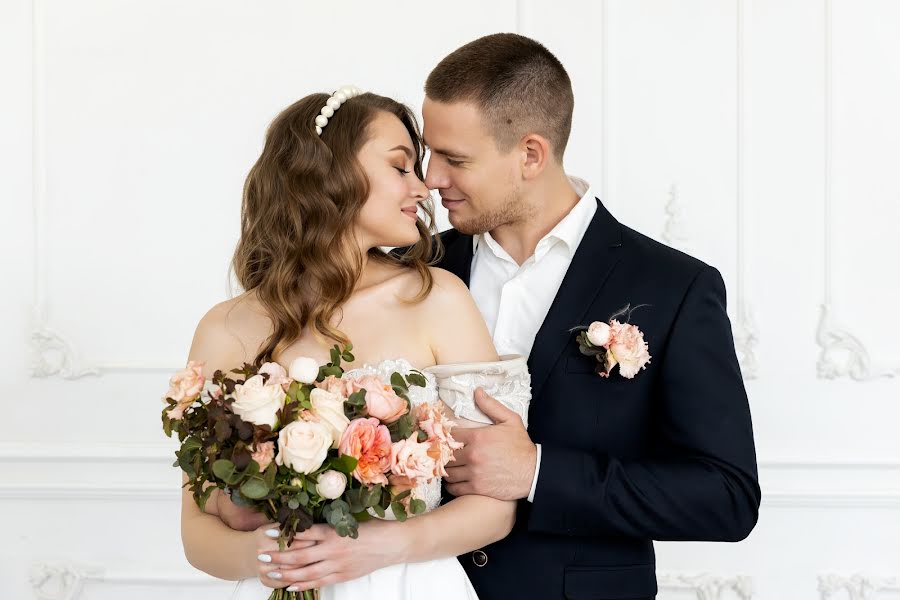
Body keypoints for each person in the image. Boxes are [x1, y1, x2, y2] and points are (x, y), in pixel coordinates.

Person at [218, 33, 762, 600]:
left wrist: (538, 474)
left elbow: (726, 497)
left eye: (455, 160)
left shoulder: (673, 286)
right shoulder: (407, 270)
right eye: (428, 155)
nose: (431, 180)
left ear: (530, 154)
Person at [179, 88, 532, 599]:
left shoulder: (438, 300)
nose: (423, 188)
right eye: (400, 167)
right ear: (330, 173)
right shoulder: (225, 327)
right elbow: (196, 530)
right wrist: (280, 557)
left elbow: (494, 507)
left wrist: (382, 546)